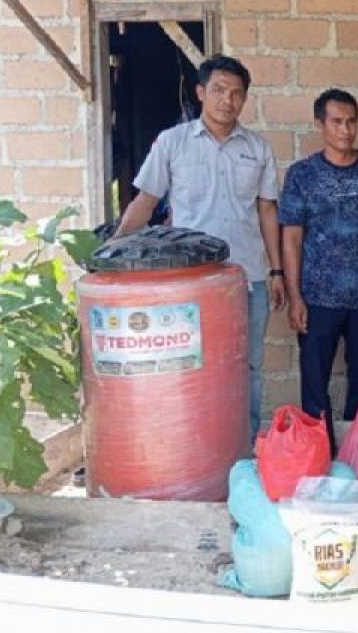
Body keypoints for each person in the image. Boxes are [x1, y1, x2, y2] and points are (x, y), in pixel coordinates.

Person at [115, 54, 284, 439]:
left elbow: (267, 212)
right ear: (200, 92)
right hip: (190, 282)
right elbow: (145, 201)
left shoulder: (258, 148)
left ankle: (242, 445)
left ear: (245, 99)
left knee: (248, 365)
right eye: (219, 90)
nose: (228, 100)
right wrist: (113, 247)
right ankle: (195, 444)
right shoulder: (172, 143)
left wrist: (276, 272)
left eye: (237, 93)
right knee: (191, 363)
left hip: (248, 278)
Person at [278, 88, 358, 453]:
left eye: (351, 121)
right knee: (315, 383)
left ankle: (356, 454)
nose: (346, 130)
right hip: (316, 298)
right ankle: (319, 453)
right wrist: (296, 297)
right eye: (337, 122)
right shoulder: (302, 175)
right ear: (320, 124)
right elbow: (292, 238)